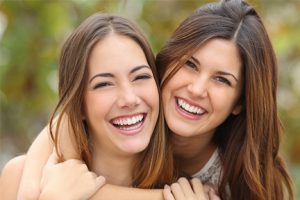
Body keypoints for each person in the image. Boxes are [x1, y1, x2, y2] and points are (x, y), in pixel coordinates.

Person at [3, 0, 295, 199]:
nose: (196, 89)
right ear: (165, 65)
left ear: (239, 103)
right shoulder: (137, 114)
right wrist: (34, 188)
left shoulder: (235, 179)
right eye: (190, 65)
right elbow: (65, 120)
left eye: (222, 79)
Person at [0, 12, 176, 199]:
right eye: (104, 84)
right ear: (78, 105)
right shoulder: (21, 178)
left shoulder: (185, 188)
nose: (129, 98)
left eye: (140, 77)